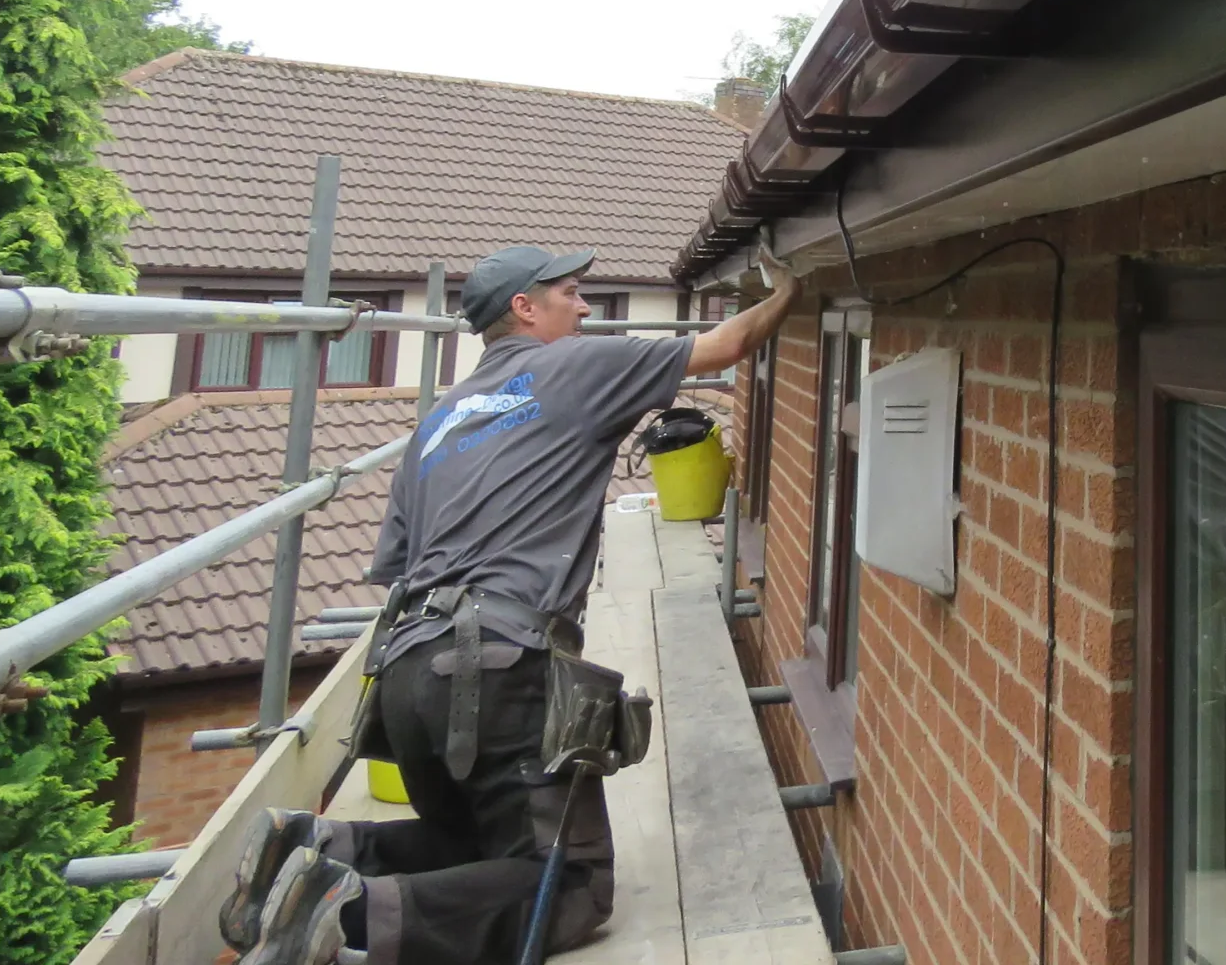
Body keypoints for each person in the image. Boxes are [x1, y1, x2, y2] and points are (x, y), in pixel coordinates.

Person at [222, 242, 804, 965]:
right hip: (497, 669)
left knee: (476, 849)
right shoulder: (574, 367)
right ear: (524, 308)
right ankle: (344, 913)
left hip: (404, 676)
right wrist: (792, 285)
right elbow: (729, 344)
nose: (586, 307)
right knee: (572, 884)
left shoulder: (437, 420)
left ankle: (310, 847)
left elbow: (399, 566)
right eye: (570, 292)